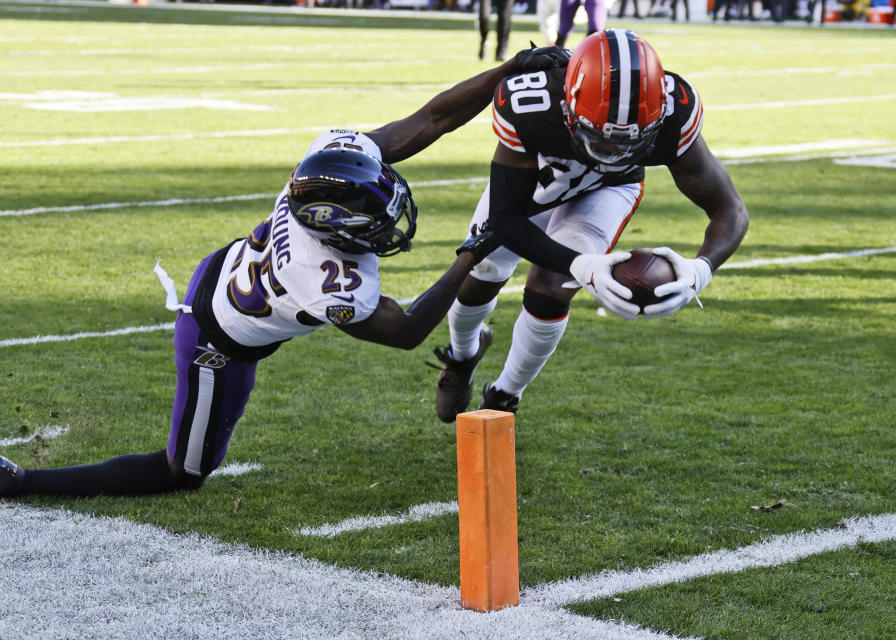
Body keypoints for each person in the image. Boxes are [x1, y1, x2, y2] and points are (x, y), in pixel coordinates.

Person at [0, 46, 570, 499]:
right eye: (374, 220)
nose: (390, 221)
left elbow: (433, 118)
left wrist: (511, 70)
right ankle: (22, 482)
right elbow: (406, 331)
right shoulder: (326, 281)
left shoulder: (322, 168)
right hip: (217, 341)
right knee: (184, 472)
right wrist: (472, 252)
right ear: (337, 235)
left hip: (227, 268)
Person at [432, 28, 749, 422]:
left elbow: (729, 209)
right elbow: (506, 220)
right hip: (540, 175)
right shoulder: (533, 103)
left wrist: (701, 269)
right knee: (483, 268)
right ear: (568, 104)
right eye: (601, 140)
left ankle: (505, 395)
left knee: (552, 285)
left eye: (628, 144)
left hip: (609, 189)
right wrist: (582, 265)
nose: (613, 152)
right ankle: (462, 356)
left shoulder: (674, 112)